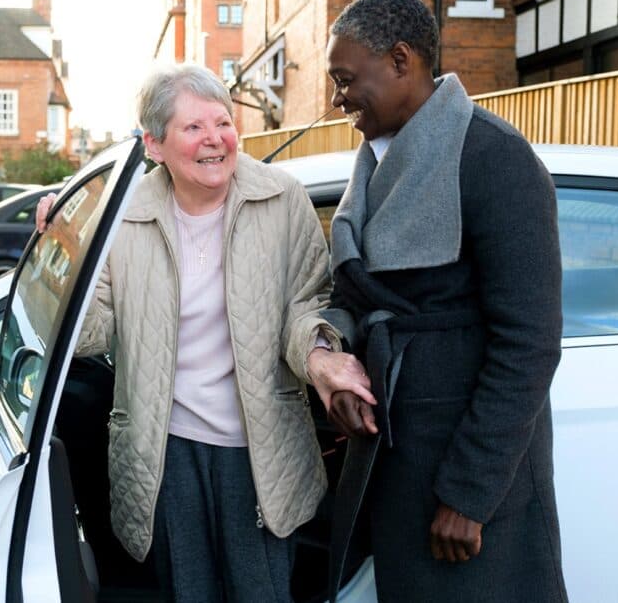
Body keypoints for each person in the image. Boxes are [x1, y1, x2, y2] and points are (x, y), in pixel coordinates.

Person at [35, 63, 370, 602]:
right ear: (154, 144)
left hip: (259, 449)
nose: (214, 139)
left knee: (261, 592)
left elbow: (313, 303)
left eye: (222, 122)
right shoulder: (122, 218)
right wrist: (64, 251)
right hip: (164, 450)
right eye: (193, 128)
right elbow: (89, 334)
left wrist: (320, 354)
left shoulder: (282, 200)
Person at [320, 0, 568, 602]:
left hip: (470, 482)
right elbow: (356, 296)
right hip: (397, 460)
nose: (337, 97)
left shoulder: (495, 158)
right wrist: (342, 369)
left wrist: (469, 492)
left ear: (400, 61)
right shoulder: (375, 162)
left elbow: (530, 342)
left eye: (346, 79)